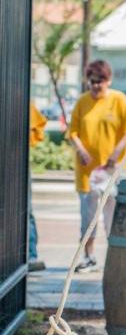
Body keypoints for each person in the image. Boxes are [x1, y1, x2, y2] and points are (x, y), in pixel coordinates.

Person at [68, 60, 126, 272]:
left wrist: (116, 153)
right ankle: (89, 257)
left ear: (108, 81)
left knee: (114, 217)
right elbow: (73, 132)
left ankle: (115, 259)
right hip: (88, 172)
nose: (96, 86)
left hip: (114, 170)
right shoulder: (82, 102)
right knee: (88, 218)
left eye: (100, 81)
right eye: (92, 81)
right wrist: (81, 150)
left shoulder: (118, 100)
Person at [28, 103, 48, 272]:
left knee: (25, 211)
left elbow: (37, 130)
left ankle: (30, 254)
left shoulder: (21, 100)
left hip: (15, 162)